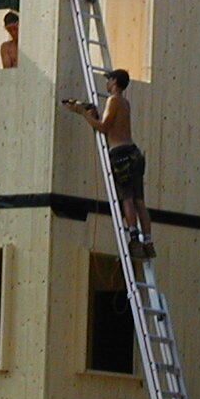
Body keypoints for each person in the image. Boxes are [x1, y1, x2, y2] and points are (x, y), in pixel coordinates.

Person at [62, 68, 155, 258]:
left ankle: (135, 241)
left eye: (108, 80)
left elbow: (104, 127)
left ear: (114, 82)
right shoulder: (126, 103)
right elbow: (114, 124)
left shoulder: (113, 100)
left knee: (127, 199)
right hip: (134, 153)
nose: (106, 83)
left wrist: (83, 114)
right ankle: (148, 242)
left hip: (121, 155)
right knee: (139, 201)